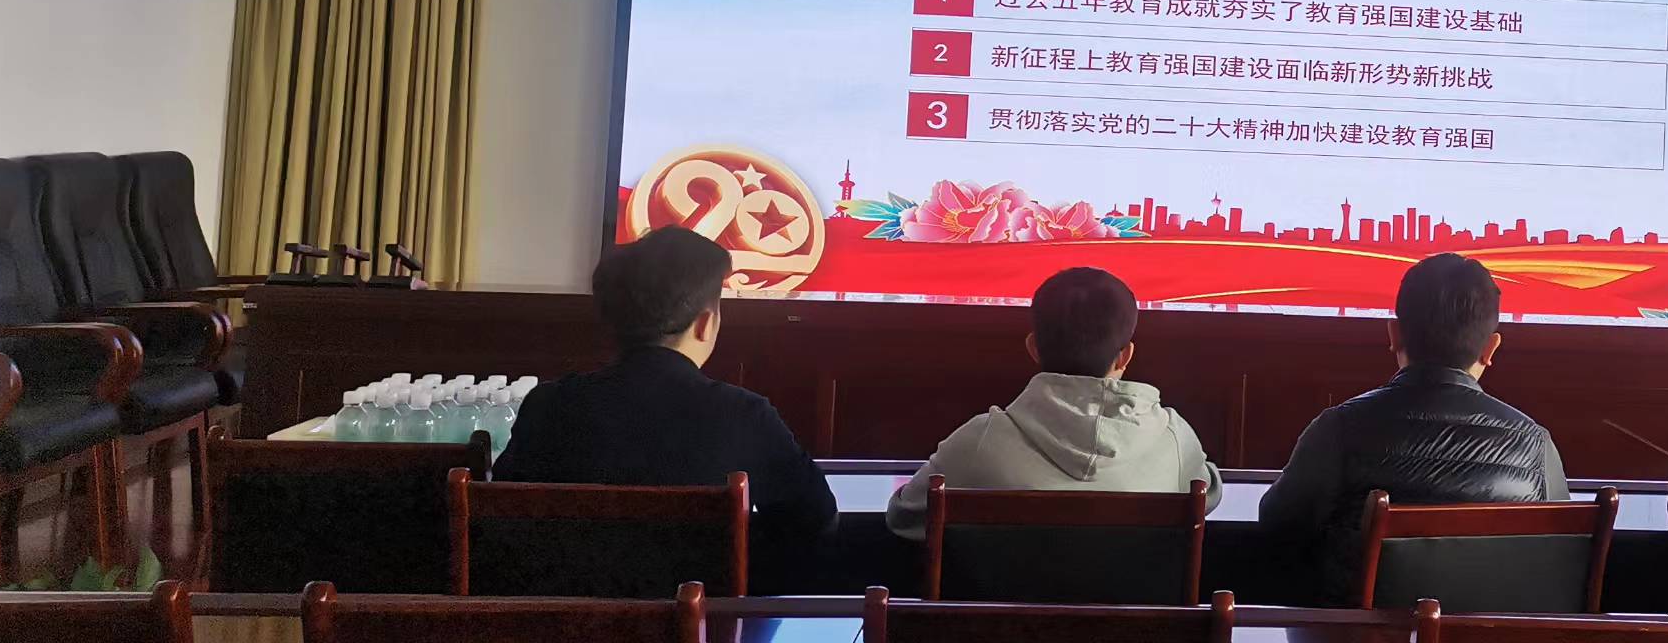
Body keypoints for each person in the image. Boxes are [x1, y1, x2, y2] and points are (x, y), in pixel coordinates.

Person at [495, 227, 836, 594]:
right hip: (704, 619)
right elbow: (816, 520)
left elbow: (501, 517)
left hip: (564, 619)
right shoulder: (745, 415)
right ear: (705, 324)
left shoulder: (548, 404)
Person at [1258, 253, 1568, 603]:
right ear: (1490, 347)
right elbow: (1560, 555)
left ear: (1394, 334)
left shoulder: (1339, 429)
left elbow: (1277, 527)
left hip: (1359, 631)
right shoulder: (1535, 446)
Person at [886, 267, 1219, 534]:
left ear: (1033, 347)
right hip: (1138, 604)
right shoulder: (1174, 438)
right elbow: (1209, 493)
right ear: (1125, 356)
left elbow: (904, 516)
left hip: (1005, 604)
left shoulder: (978, 441)